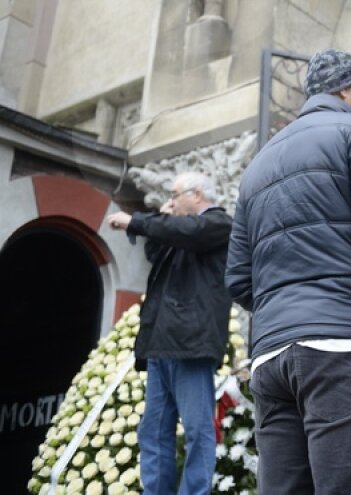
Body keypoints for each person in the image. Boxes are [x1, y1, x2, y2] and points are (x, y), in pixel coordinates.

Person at [225, 49, 351, 495]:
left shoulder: (257, 165)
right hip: (347, 349)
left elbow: (238, 277)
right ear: (342, 89)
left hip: (273, 360)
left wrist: (288, 311)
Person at [107, 172, 232, 495]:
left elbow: (190, 232)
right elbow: (156, 253)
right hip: (161, 344)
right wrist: (160, 221)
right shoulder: (180, 231)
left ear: (198, 196)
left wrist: (137, 221)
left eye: (176, 195)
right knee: (154, 432)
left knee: (197, 430)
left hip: (191, 344)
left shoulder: (218, 224)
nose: (171, 201)